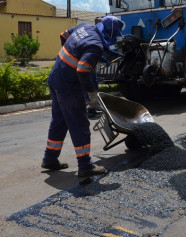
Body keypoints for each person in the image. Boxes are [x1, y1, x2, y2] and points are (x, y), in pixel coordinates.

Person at [41, 16, 124, 177]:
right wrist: (91, 92)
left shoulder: (84, 27)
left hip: (56, 77)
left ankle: (50, 159)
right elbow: (82, 70)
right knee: (79, 123)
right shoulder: (96, 46)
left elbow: (63, 35)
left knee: (59, 120)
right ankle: (85, 166)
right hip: (69, 86)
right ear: (109, 34)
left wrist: (73, 56)